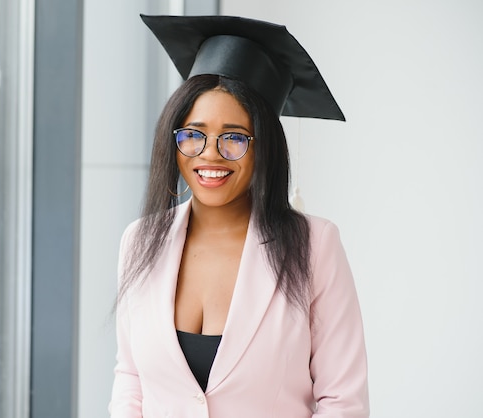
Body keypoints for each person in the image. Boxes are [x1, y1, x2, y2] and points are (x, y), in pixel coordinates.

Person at [109, 14, 369, 418]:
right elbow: (131, 379)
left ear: (263, 146)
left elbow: (343, 402)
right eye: (193, 134)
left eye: (234, 137)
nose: (210, 153)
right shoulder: (139, 240)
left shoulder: (315, 245)